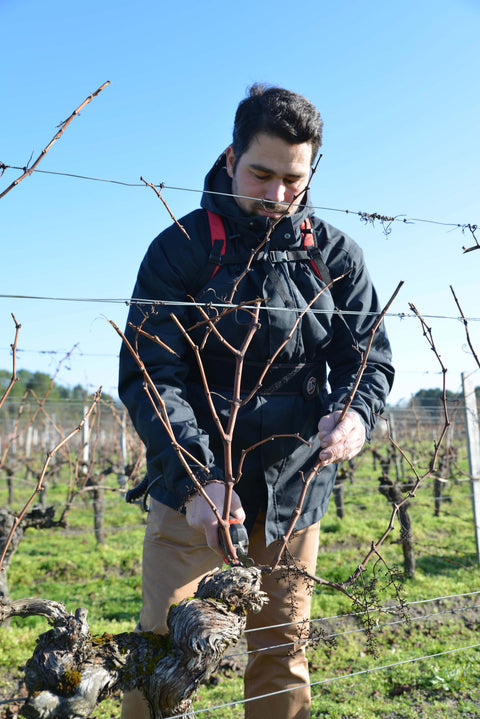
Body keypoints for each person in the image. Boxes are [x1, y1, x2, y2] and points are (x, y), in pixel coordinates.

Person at [119, 84, 394, 719]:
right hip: (191, 496)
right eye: (261, 173)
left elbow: (368, 360)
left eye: (293, 180)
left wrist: (354, 414)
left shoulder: (334, 256)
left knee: (281, 653)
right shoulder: (180, 251)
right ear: (230, 156)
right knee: (161, 656)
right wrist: (198, 479)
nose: (276, 195)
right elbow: (151, 375)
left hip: (293, 496)